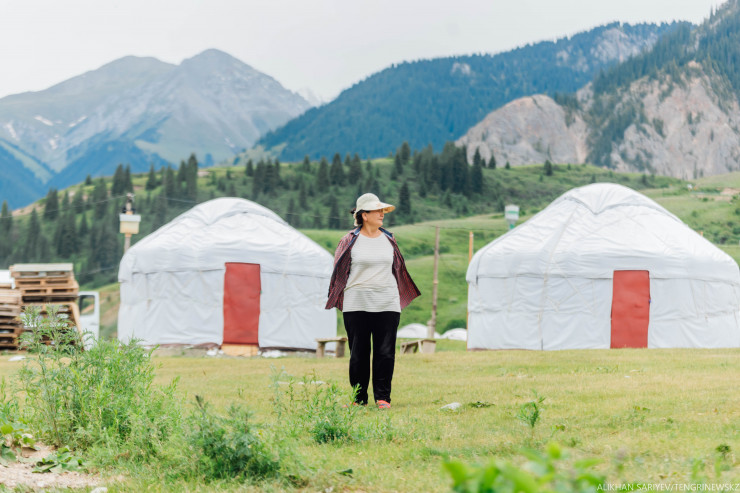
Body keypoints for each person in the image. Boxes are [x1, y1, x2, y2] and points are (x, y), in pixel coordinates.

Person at [326, 193, 421, 409]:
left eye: (382, 211)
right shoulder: (349, 240)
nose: (382, 214)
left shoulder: (389, 239)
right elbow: (338, 271)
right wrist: (336, 296)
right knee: (358, 353)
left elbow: (397, 268)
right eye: (377, 211)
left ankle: (383, 398)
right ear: (364, 215)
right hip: (356, 302)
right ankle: (359, 399)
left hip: (387, 302)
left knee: (385, 352)